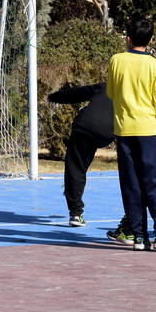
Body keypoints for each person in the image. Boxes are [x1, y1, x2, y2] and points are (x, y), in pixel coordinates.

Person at [107, 18, 156, 251]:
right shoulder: (155, 65)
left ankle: (138, 236)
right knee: (155, 183)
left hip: (124, 130)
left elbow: (111, 92)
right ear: (151, 40)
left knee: (131, 183)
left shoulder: (116, 60)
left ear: (127, 38)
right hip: (149, 130)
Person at [47, 82, 113, 227]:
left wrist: (53, 97)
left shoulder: (105, 86)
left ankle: (76, 213)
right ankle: (132, 218)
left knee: (75, 169)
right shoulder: (137, 92)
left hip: (84, 126)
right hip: (110, 132)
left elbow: (77, 93)